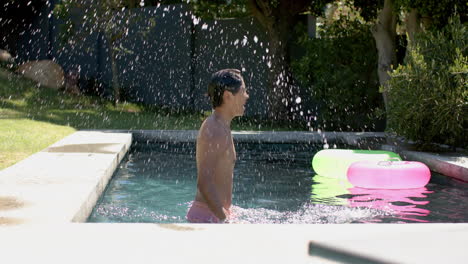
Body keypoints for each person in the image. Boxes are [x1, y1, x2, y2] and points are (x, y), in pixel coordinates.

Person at [186, 69, 249, 223]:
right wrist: (224, 219)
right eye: (243, 91)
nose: (247, 96)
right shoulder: (214, 130)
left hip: (214, 213)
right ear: (228, 96)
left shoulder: (221, 126)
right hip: (208, 216)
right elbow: (204, 182)